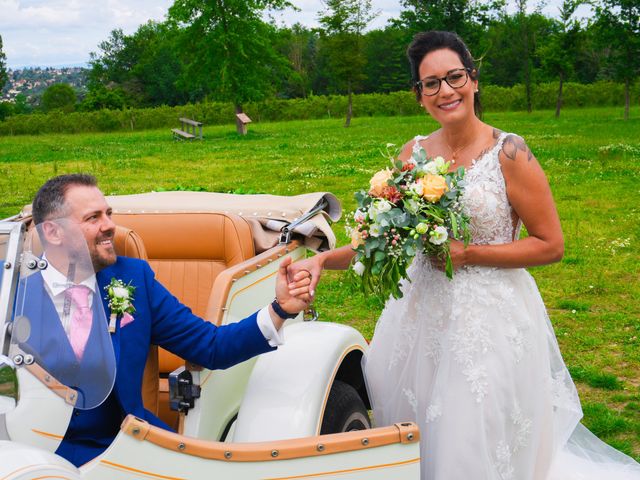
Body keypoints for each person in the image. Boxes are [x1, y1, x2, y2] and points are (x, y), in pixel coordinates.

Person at [289, 31, 640, 480]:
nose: (445, 91)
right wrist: (321, 260)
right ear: (419, 96)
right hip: (418, 321)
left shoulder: (510, 152)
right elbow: (378, 238)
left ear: (473, 80)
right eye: (431, 83)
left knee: (474, 435)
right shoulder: (412, 155)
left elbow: (551, 244)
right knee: (415, 432)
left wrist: (469, 252)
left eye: (454, 77)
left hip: (490, 321)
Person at [26, 173, 312, 467]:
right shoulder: (9, 286)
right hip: (28, 454)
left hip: (125, 449)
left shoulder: (134, 279)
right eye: (93, 218)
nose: (109, 225)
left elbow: (211, 346)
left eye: (108, 213)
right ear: (53, 232)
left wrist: (280, 309)